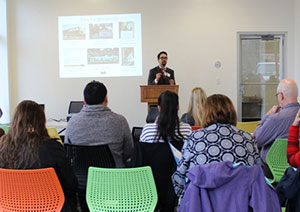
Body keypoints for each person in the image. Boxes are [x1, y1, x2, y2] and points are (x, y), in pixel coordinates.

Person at [172, 94, 260, 198]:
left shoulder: (194, 139)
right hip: (240, 204)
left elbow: (179, 180)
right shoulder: (248, 139)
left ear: (205, 113)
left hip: (200, 205)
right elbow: (258, 176)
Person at [0, 100, 78, 212]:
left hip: (11, 207)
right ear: (42, 121)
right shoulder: (52, 148)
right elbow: (71, 184)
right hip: (51, 206)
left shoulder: (2, 148)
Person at [65, 80, 133, 168]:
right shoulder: (120, 121)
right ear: (106, 99)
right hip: (114, 178)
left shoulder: (72, 122)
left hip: (83, 179)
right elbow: (128, 152)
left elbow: (68, 153)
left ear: (84, 101)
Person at [254, 78, 300, 170]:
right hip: (296, 169)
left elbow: (255, 141)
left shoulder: (274, 119)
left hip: (272, 169)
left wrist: (267, 116)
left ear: (281, 96)